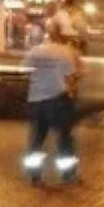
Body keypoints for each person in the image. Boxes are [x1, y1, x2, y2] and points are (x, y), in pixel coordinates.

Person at [21, 21, 84, 186]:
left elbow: (24, 71)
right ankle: (68, 176)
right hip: (57, 100)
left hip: (35, 100)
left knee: (36, 139)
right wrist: (72, 95)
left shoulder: (34, 52)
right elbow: (70, 77)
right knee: (64, 138)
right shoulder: (65, 52)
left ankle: (35, 177)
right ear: (61, 34)